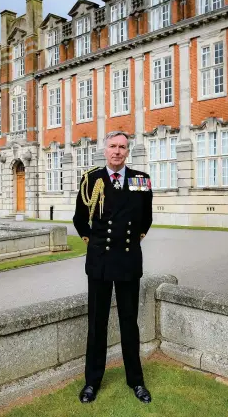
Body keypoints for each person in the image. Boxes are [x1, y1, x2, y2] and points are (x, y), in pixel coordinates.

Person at [73, 130, 153, 404]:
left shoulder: (140, 180)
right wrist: (94, 244)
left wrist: (127, 241)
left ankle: (136, 381)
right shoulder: (90, 180)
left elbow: (146, 220)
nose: (117, 151)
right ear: (104, 150)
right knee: (97, 324)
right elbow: (80, 220)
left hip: (129, 260)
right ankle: (92, 382)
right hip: (100, 263)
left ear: (127, 151)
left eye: (122, 147)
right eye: (113, 146)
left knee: (130, 323)